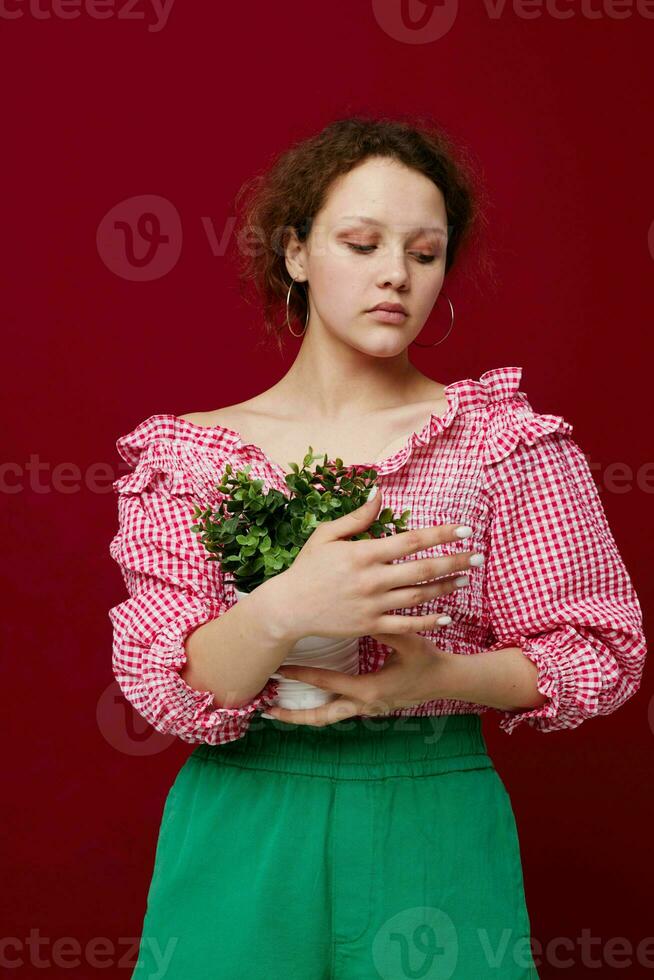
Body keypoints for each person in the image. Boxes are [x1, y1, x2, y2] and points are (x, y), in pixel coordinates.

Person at [108, 116, 647, 979]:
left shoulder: (504, 444)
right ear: (295, 252)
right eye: (361, 243)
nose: (396, 274)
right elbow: (170, 690)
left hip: (433, 812)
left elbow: (601, 651)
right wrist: (289, 606)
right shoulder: (187, 458)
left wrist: (441, 678)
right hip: (246, 816)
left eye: (426, 253)